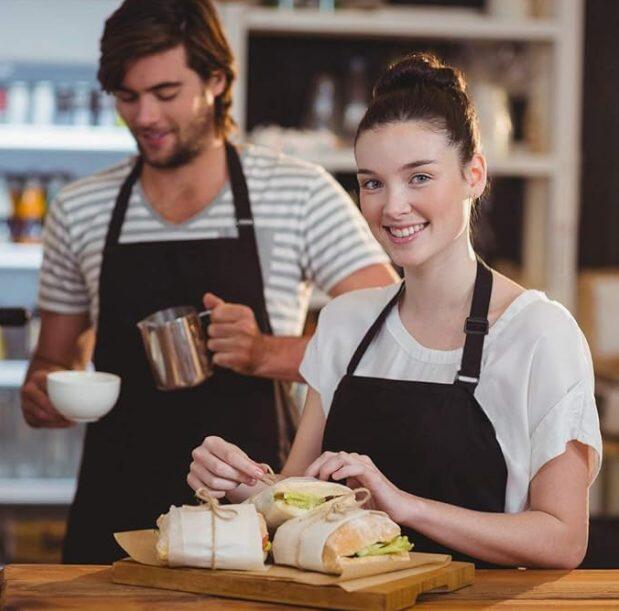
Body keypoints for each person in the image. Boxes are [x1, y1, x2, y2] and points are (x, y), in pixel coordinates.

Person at [187, 52, 603, 569]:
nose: (393, 206)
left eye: (420, 177)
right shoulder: (345, 323)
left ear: (474, 174)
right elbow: (292, 503)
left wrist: (406, 507)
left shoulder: (540, 334)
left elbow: (563, 540)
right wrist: (240, 486)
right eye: (372, 183)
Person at [20, 0, 397, 564]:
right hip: (115, 506)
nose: (144, 116)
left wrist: (266, 352)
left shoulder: (298, 193)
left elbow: (388, 338)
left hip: (256, 508)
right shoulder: (81, 208)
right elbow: (50, 363)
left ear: (217, 80)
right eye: (127, 96)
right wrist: (43, 393)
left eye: (166, 93)